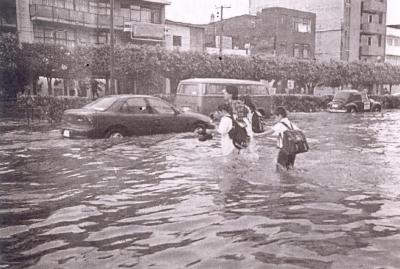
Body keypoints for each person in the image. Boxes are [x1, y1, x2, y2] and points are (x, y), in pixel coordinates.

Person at [265, 106, 300, 171]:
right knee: (289, 169)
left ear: (280, 115)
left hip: (284, 151)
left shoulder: (280, 124)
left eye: (275, 117)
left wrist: (255, 135)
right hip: (293, 152)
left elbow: (267, 133)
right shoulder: (291, 124)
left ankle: (282, 181)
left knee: (279, 169)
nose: (274, 119)